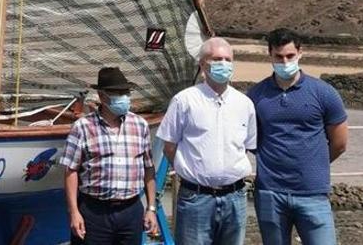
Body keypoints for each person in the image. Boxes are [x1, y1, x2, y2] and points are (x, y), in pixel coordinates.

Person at [247, 28, 349, 245]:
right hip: (270, 194)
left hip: (312, 193)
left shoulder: (324, 93)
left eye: (290, 56)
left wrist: (314, 163)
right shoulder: (256, 95)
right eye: (279, 57)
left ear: (300, 53)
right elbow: (251, 139)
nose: (285, 62)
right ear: (270, 55)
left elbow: (339, 143)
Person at [157, 37, 256, 245]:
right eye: (217, 59)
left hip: (235, 198)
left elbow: (245, 147)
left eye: (228, 59)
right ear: (203, 64)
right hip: (196, 199)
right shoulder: (184, 100)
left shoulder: (244, 104)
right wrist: (194, 170)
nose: (223, 64)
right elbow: (169, 147)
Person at [60, 67, 158, 245]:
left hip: (131, 210)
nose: (124, 97)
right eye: (118, 93)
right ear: (102, 97)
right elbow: (70, 171)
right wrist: (74, 212)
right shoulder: (82, 127)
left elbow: (149, 169)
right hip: (94, 211)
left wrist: (151, 208)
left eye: (126, 92)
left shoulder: (140, 125)